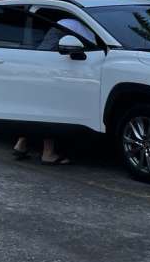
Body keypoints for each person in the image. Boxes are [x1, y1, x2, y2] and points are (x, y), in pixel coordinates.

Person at [12, 15, 96, 165]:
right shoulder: (86, 28)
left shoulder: (68, 25)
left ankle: (21, 144)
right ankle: (48, 153)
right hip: (51, 72)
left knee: (36, 108)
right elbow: (92, 51)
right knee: (49, 111)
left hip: (40, 69)